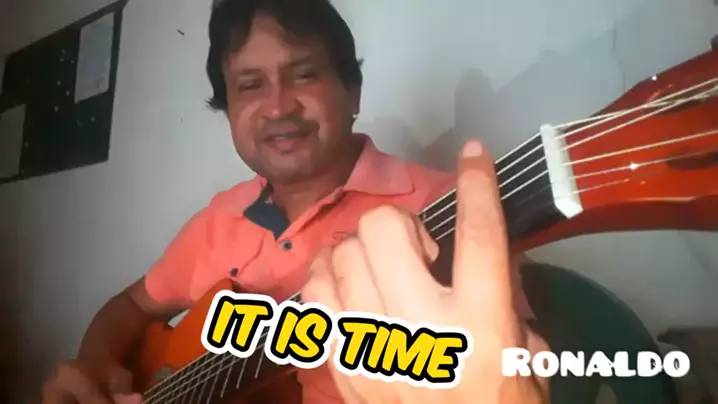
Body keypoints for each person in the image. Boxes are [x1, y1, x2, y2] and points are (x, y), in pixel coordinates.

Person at [40, 0, 547, 403]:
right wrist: (96, 364)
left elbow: (510, 367)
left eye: (304, 75)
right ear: (229, 111)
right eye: (250, 85)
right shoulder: (219, 219)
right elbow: (131, 305)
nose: (278, 106)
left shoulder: (450, 208)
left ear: (352, 92)